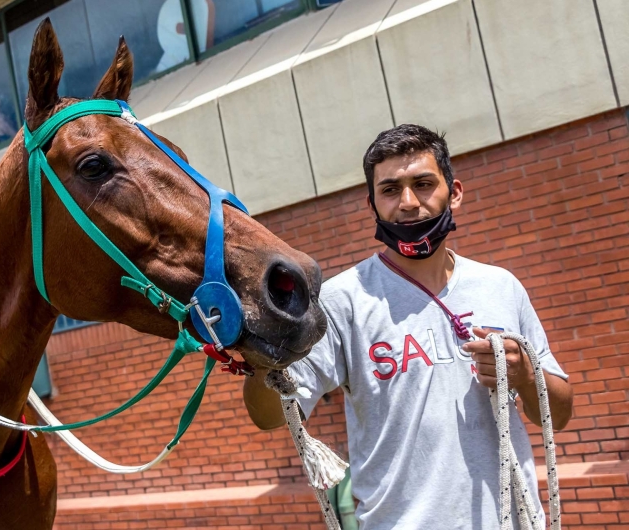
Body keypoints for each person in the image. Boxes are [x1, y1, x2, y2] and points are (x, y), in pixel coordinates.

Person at [243, 124, 573, 529]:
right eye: (390, 189)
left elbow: (557, 414)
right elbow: (271, 415)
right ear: (372, 204)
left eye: (423, 183)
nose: (408, 202)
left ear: (455, 192)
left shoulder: (500, 285)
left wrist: (522, 373)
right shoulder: (340, 299)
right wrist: (262, 348)